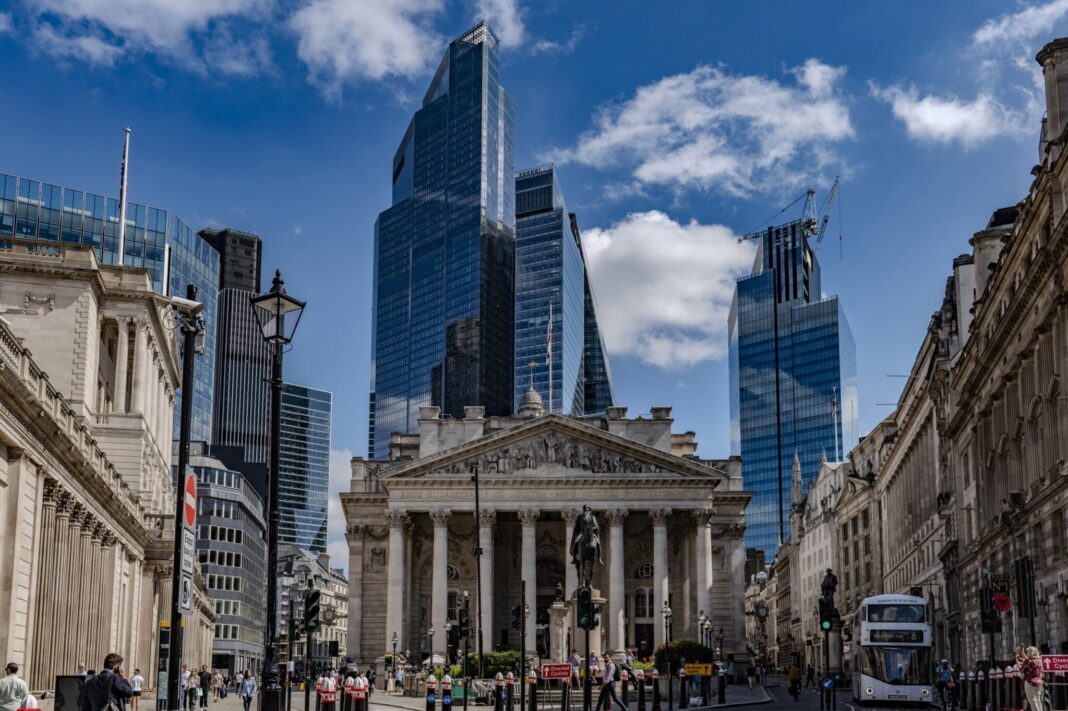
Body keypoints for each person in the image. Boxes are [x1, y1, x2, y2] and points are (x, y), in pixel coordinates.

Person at [1020, 646, 1043, 711]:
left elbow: (1022, 670)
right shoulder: (1039, 660)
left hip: (1030, 682)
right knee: (1038, 700)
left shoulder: (1028, 662)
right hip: (1038, 682)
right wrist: (1023, 653)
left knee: (1033, 701)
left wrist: (1021, 662)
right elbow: (1029, 661)